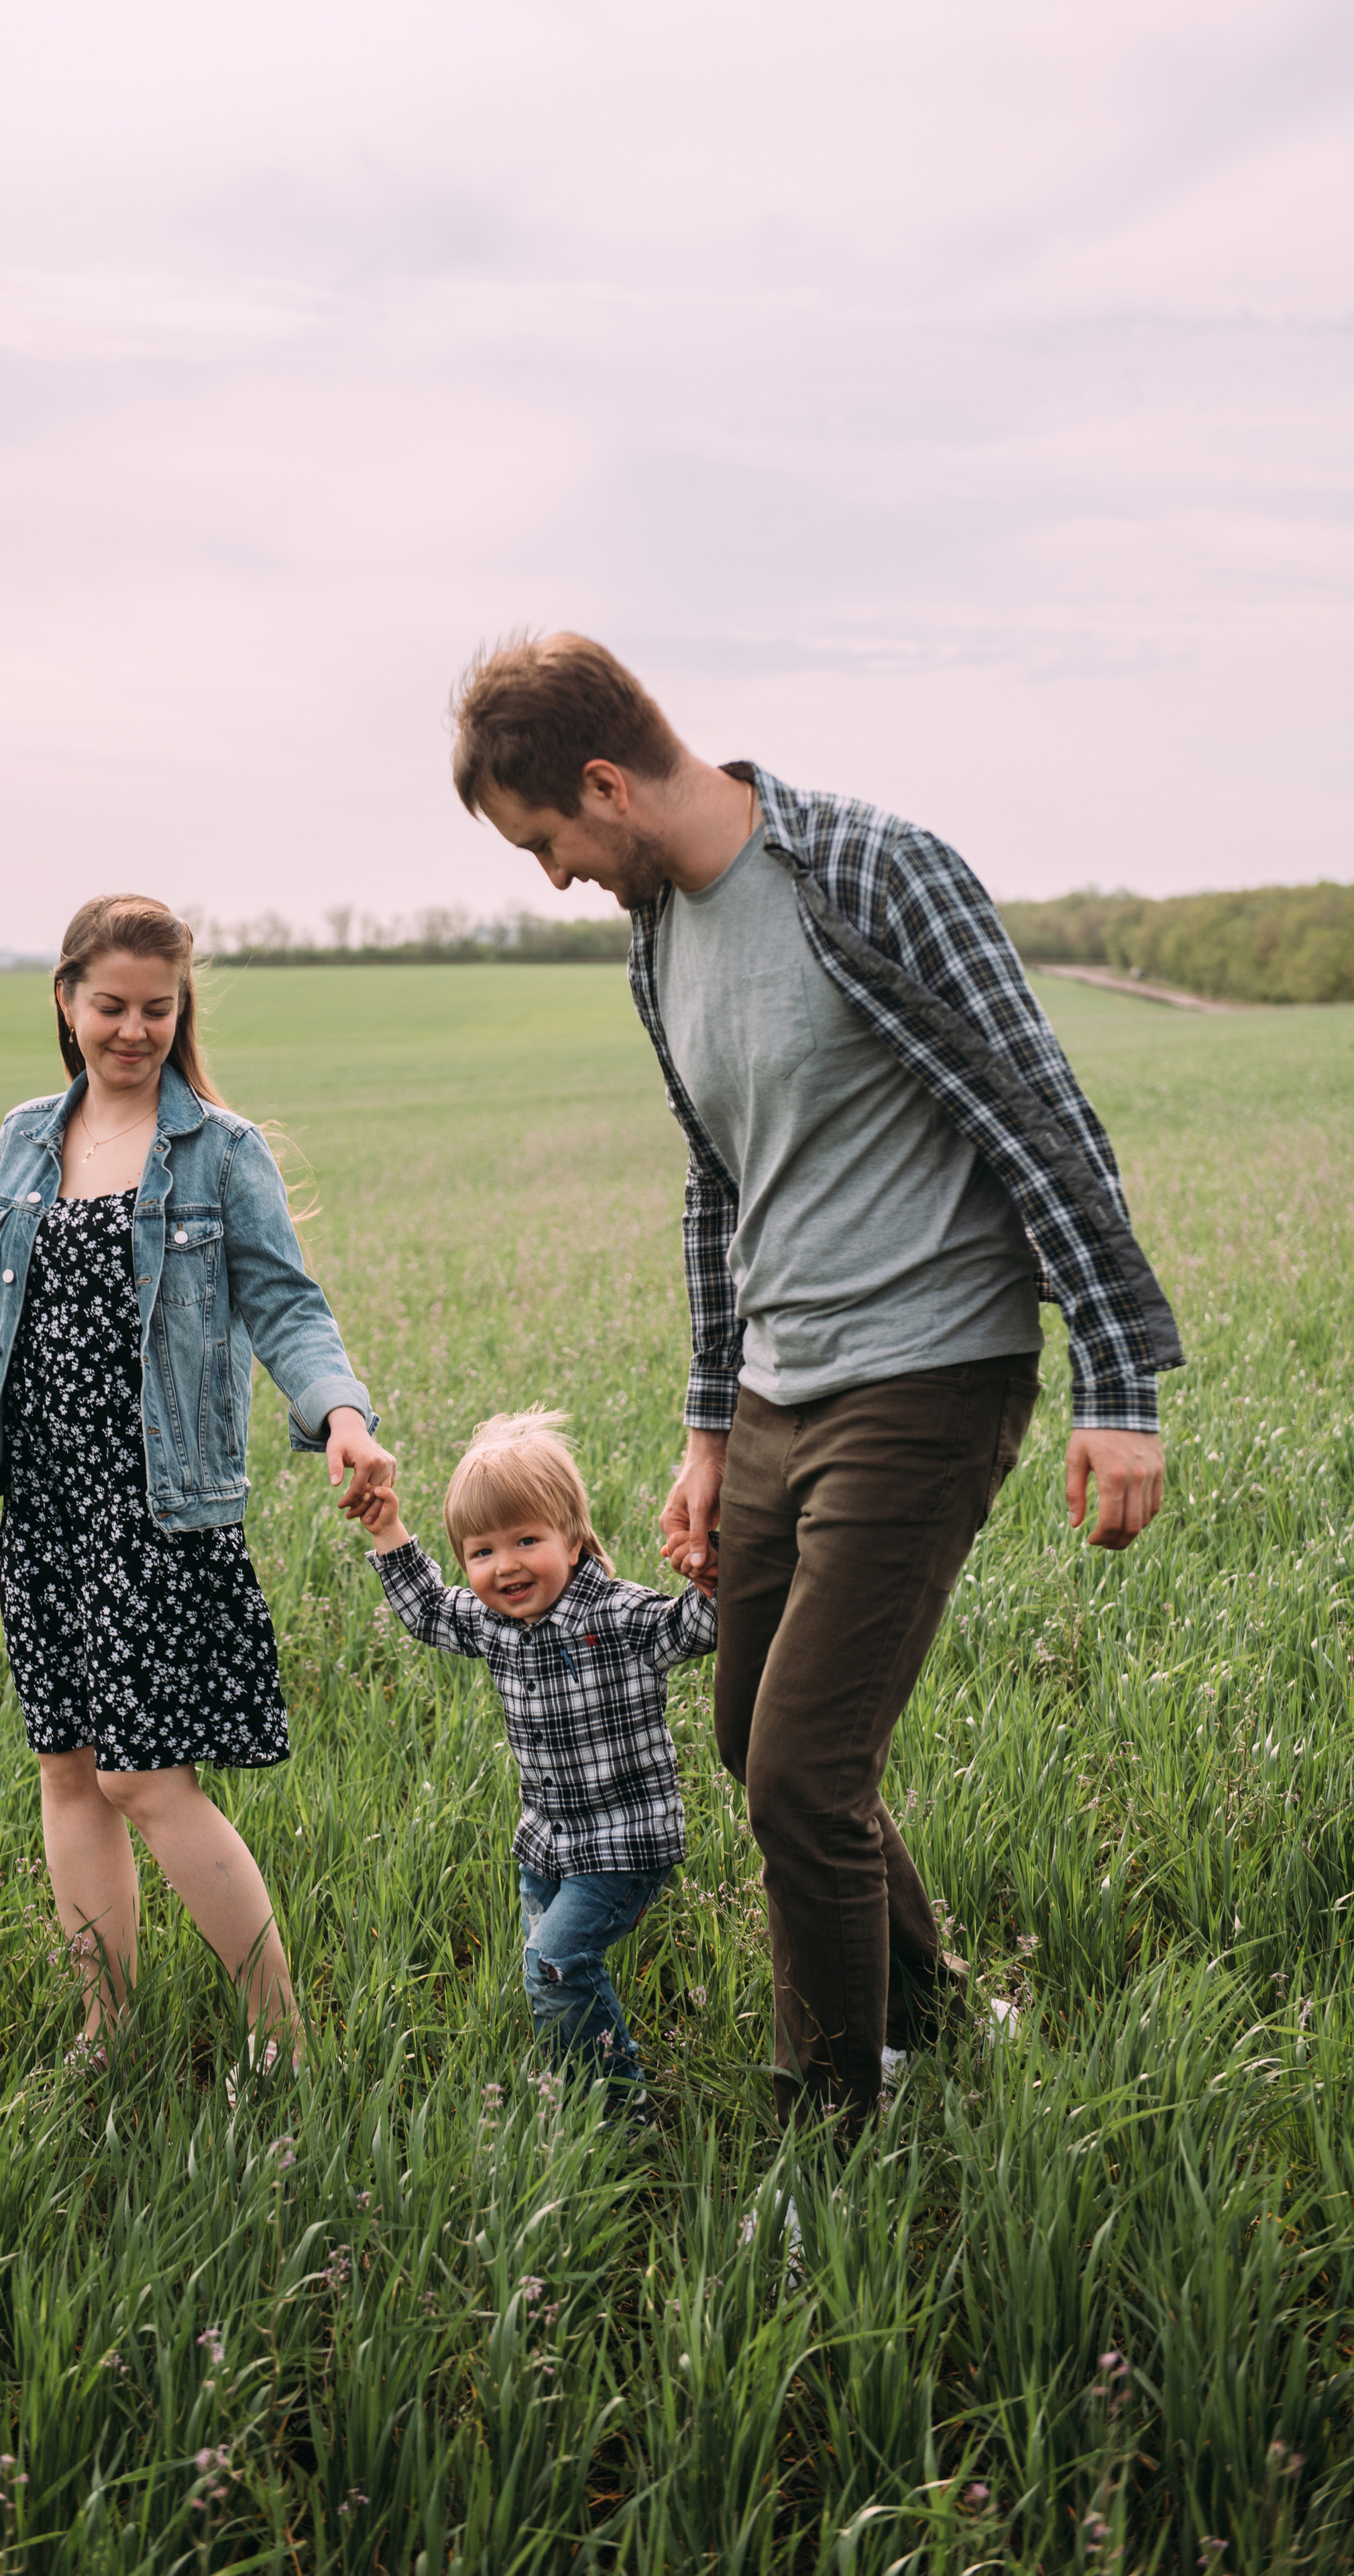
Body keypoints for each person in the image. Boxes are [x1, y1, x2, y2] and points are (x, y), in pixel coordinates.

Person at [449, 634, 1181, 2137]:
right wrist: (709, 1426)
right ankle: (928, 2013)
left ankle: (830, 2123)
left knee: (797, 1775)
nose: (553, 877)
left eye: (546, 842)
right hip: (780, 1391)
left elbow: (1044, 1117)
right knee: (748, 1743)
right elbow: (721, 1190)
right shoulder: (657, 944)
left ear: (605, 784)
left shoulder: (871, 871)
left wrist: (1118, 1378)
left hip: (927, 1372)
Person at [0, 893, 393, 2063]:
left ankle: (280, 2031)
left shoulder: (220, 1151)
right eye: (111, 1006)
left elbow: (285, 1304)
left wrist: (341, 1414)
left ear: (181, 1012)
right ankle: (106, 2023)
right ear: (68, 1002)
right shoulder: (26, 1137)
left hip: (158, 1505)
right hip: (50, 1508)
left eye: (157, 1010)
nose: (134, 1030)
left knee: (146, 1778)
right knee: (67, 1766)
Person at [355, 1408, 716, 2118]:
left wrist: (712, 1571)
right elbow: (427, 1611)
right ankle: (576, 2090)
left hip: (622, 1843)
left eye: (527, 1540)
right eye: (482, 1552)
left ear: (575, 1541)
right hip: (544, 1847)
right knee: (557, 1975)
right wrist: (386, 1528)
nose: (506, 1565)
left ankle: (617, 2114)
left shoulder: (618, 1616)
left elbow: (695, 1627)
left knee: (552, 1965)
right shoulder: (493, 1623)